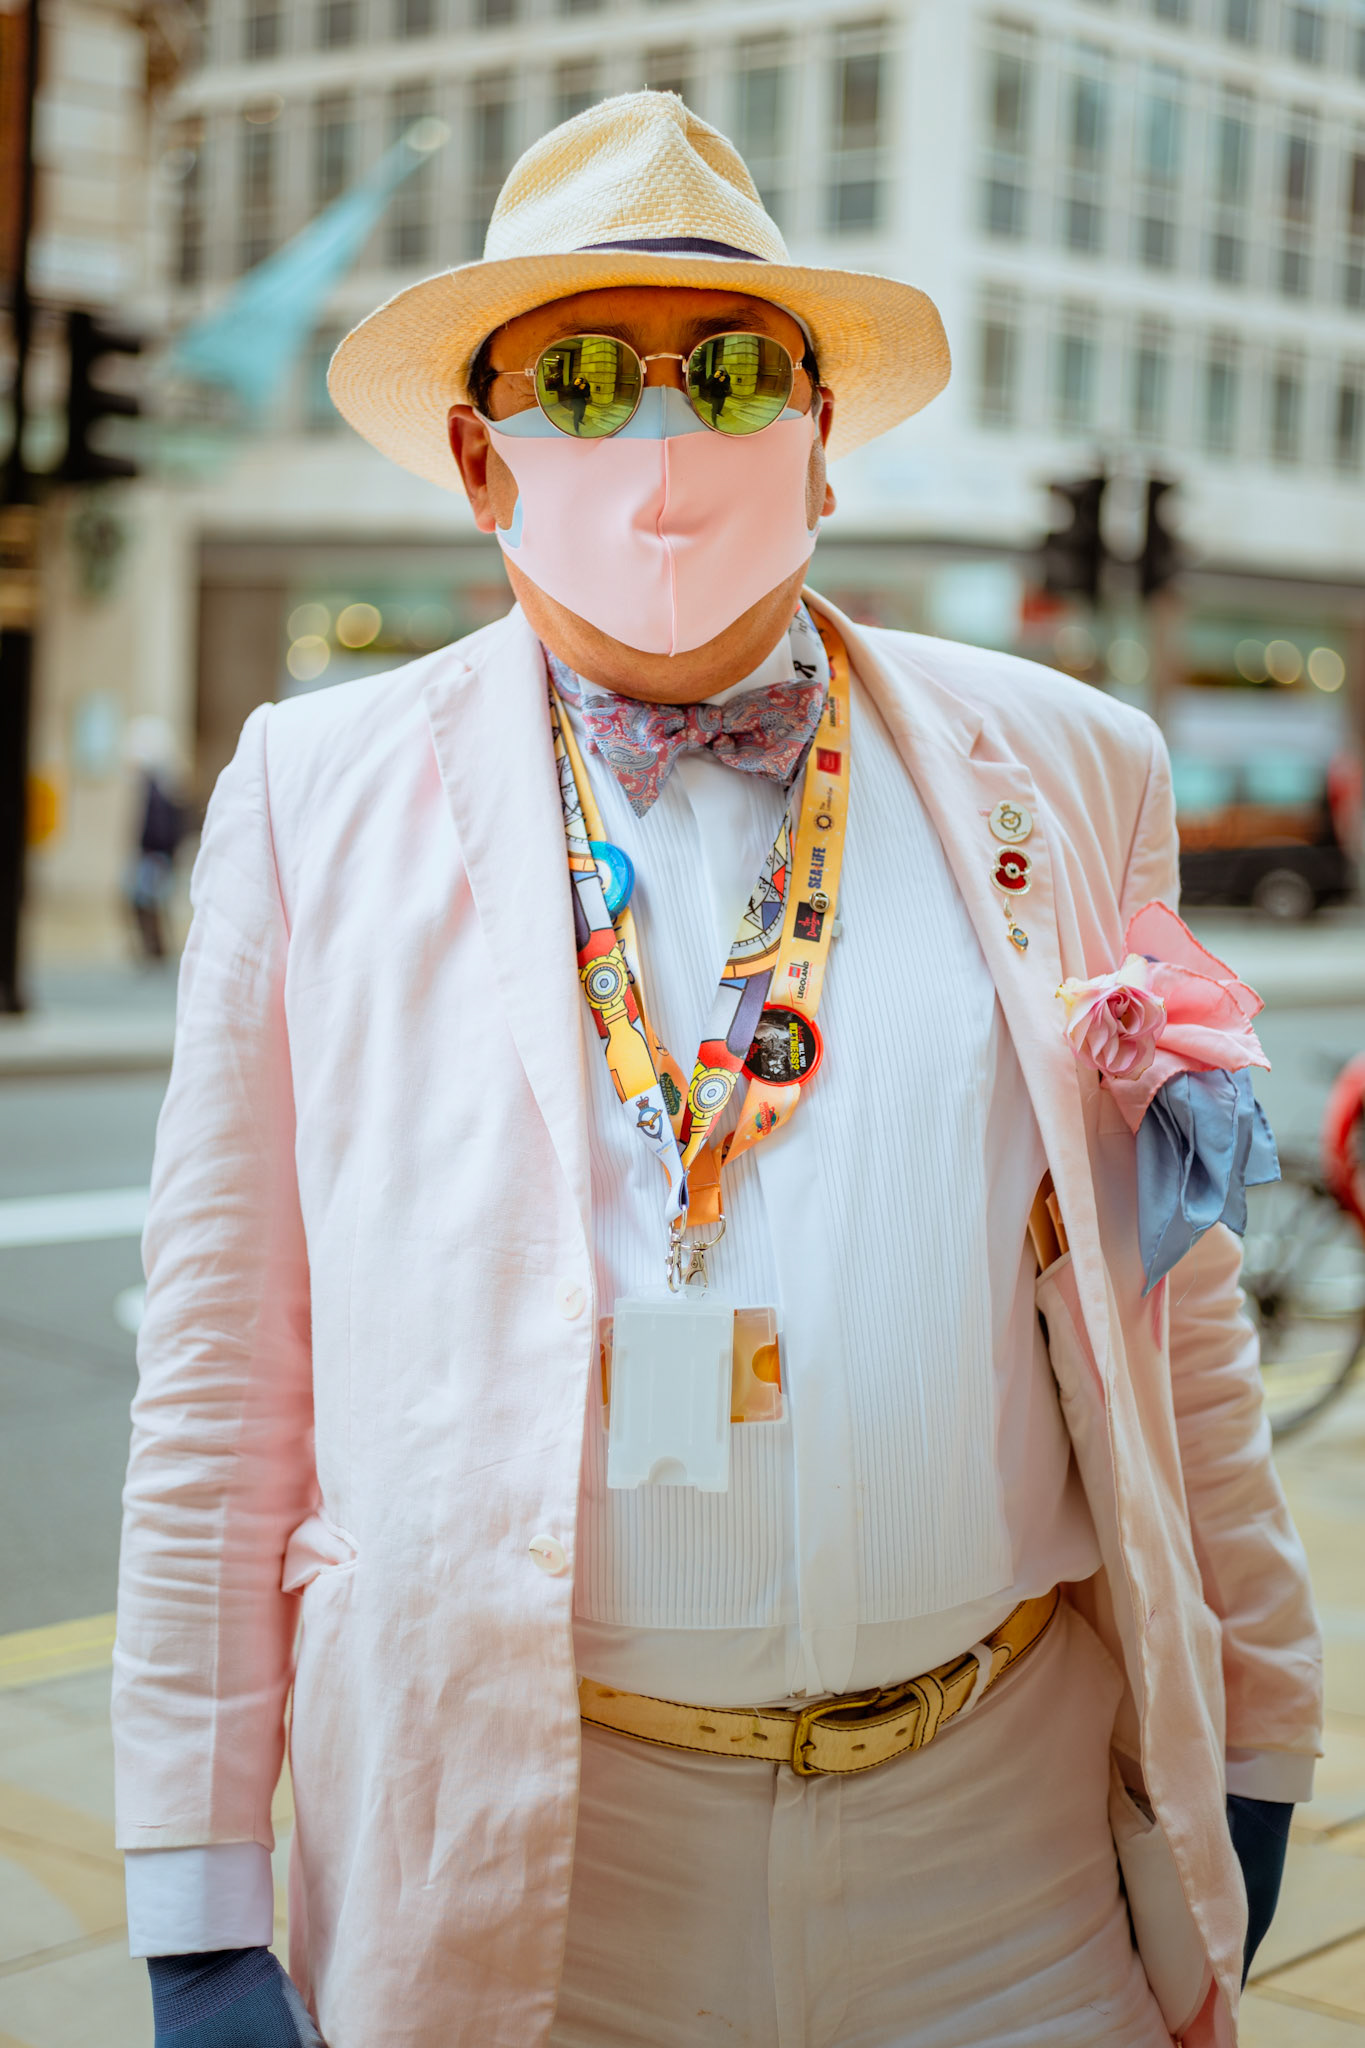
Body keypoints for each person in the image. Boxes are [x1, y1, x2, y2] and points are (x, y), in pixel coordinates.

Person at [114, 93, 1321, 2048]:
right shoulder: (306, 794)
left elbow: (1163, 1314)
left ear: (822, 439)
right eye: (581, 377)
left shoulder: (1068, 767)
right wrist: (190, 1896)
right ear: (476, 456)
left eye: (728, 369)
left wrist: (1253, 1721)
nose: (659, 435)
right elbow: (222, 1379)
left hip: (997, 1856)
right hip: (532, 1871)